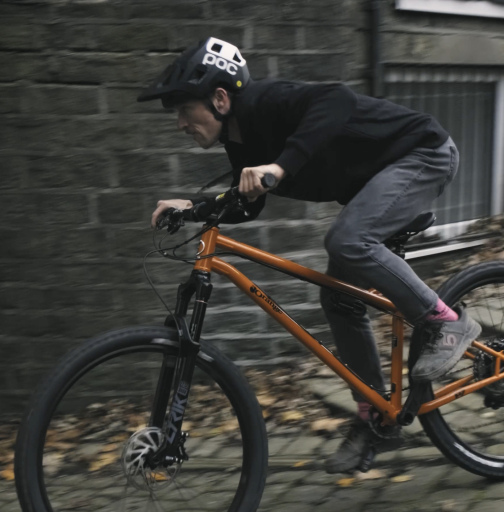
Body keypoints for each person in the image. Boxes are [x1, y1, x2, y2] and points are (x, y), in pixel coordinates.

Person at [139, 37, 480, 474]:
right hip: (375, 184)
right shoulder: (241, 142)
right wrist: (193, 208)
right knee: (338, 298)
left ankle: (446, 324)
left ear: (221, 99)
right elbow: (248, 203)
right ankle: (375, 418)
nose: (180, 123)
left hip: (422, 154)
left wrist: (280, 167)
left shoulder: (265, 102)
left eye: (185, 111)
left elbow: (336, 99)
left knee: (346, 241)